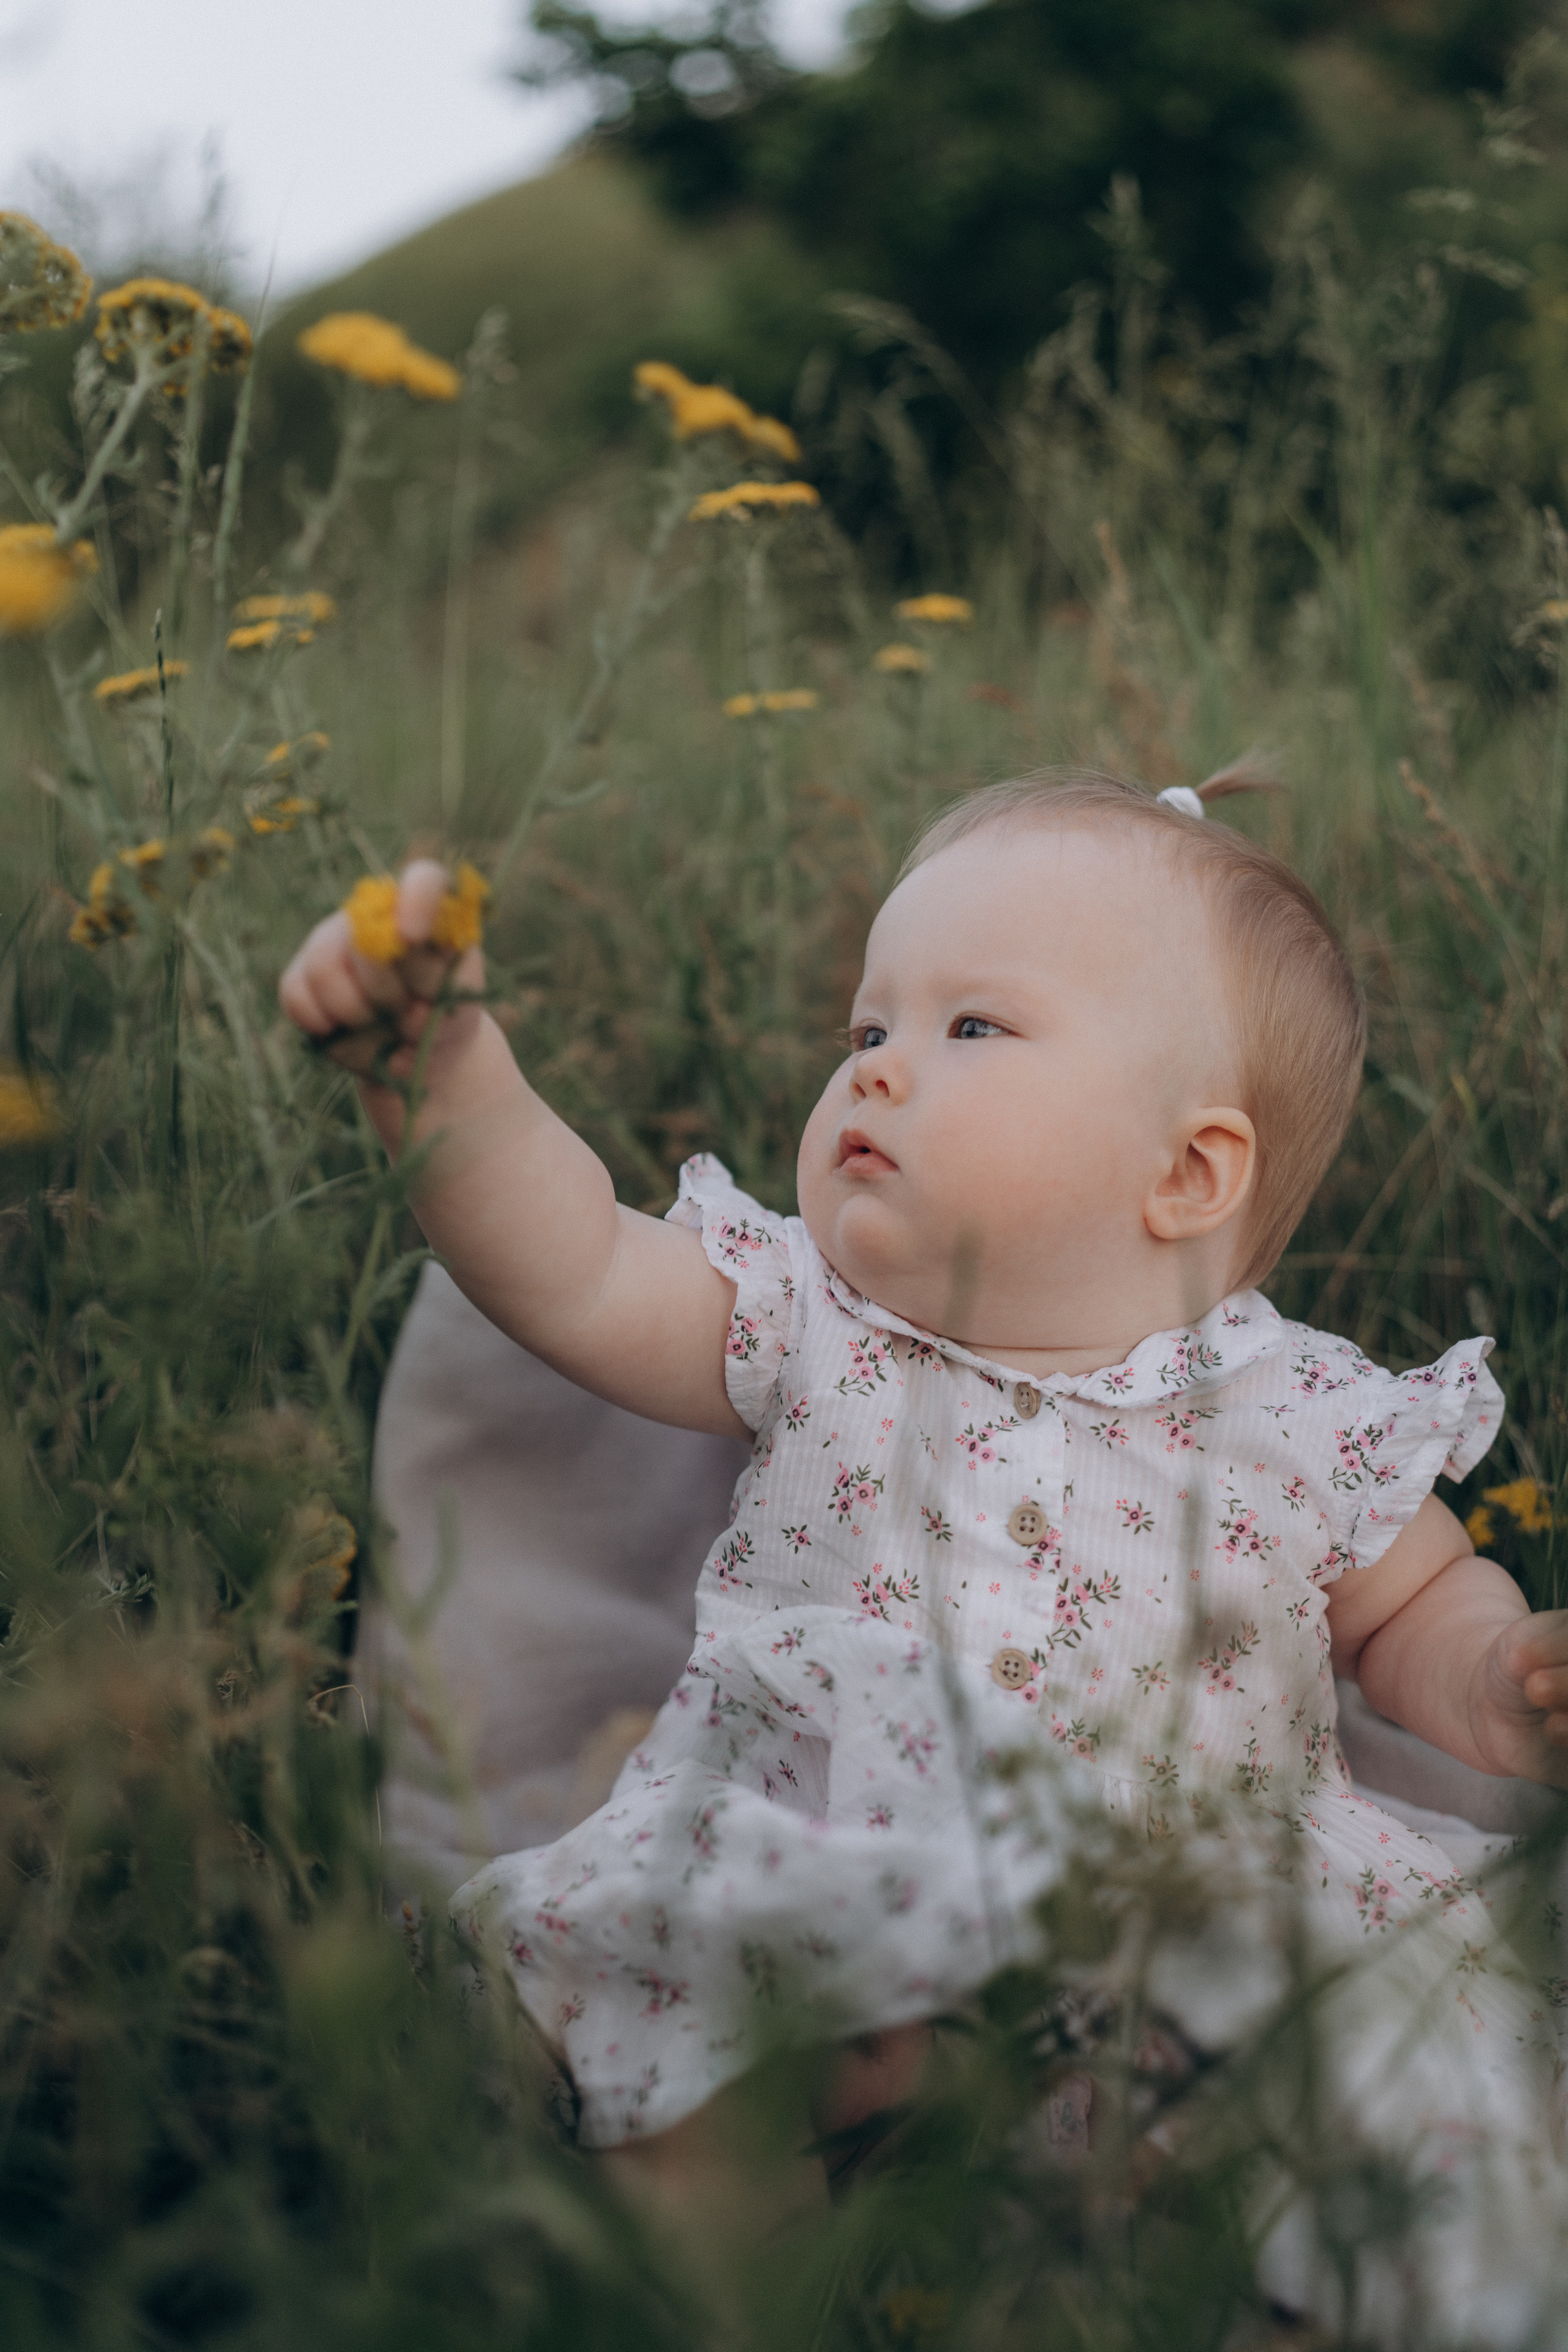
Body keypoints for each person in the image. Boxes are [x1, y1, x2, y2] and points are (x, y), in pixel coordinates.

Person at [281, 769, 1568, 2333]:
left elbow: (1410, 1604)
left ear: (1189, 1174)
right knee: (691, 2039)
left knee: (1353, 2100)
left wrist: (1496, 1683)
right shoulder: (817, 1330)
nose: (876, 1073)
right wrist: (444, 1078)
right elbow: (570, 1264)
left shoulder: (1298, 1412)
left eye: (970, 1029)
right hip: (827, 1858)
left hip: (1188, 1891)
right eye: (865, 1030)